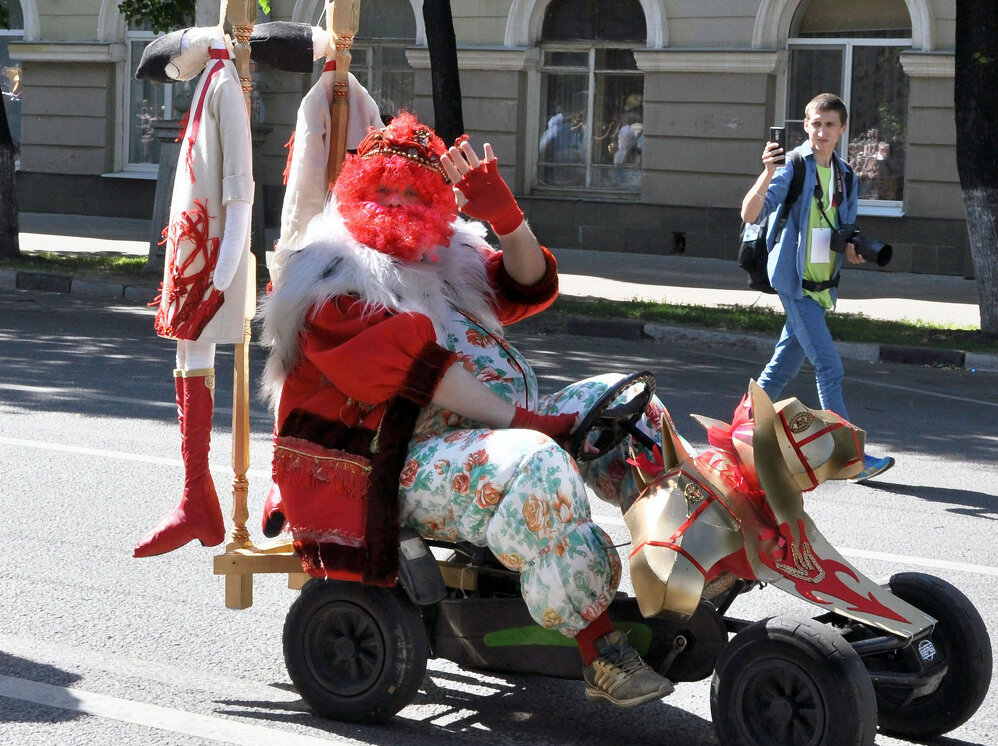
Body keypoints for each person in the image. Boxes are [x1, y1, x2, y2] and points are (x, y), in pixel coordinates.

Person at [260, 111, 675, 708]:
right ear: (359, 191)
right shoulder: (331, 277)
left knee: (631, 409)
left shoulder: (443, 254)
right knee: (534, 463)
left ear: (436, 202)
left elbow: (525, 283)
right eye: (383, 188)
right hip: (389, 461)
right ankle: (599, 648)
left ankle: (677, 561)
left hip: (485, 432)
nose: (397, 202)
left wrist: (507, 219)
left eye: (413, 191)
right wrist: (532, 425)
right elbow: (423, 375)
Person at [132, 26, 255, 557]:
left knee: (194, 354)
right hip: (194, 257)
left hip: (207, 259)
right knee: (187, 357)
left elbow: (240, 190)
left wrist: (222, 277)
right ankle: (195, 496)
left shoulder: (224, 84)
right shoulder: (211, 80)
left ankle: (197, 501)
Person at [739, 93, 894, 482]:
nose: (822, 132)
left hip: (822, 284)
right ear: (806, 126)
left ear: (842, 130)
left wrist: (853, 248)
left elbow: (843, 228)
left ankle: (738, 432)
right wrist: (766, 173)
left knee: (782, 367)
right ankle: (848, 457)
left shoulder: (846, 174)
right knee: (829, 366)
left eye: (830, 125)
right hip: (794, 282)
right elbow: (750, 212)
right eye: (815, 124)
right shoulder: (792, 166)